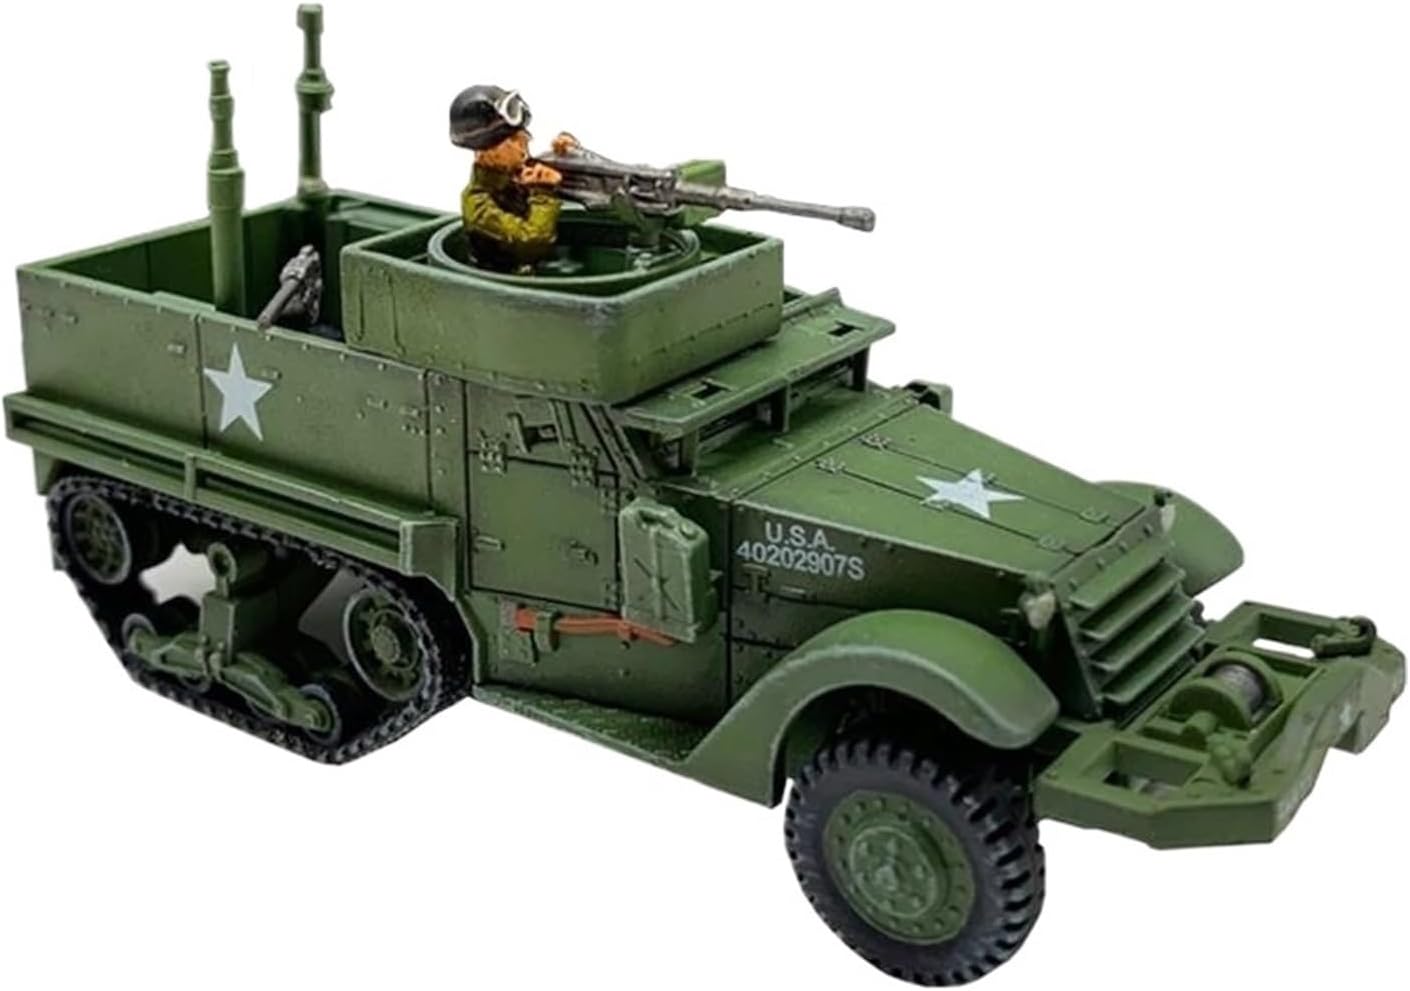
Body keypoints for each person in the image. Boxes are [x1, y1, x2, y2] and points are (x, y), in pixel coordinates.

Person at [448, 85, 578, 272]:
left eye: (523, 137)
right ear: (487, 151)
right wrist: (543, 193)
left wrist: (567, 155)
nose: (525, 144)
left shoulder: (518, 172)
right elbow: (532, 243)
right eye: (514, 140)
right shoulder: (477, 204)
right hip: (498, 281)